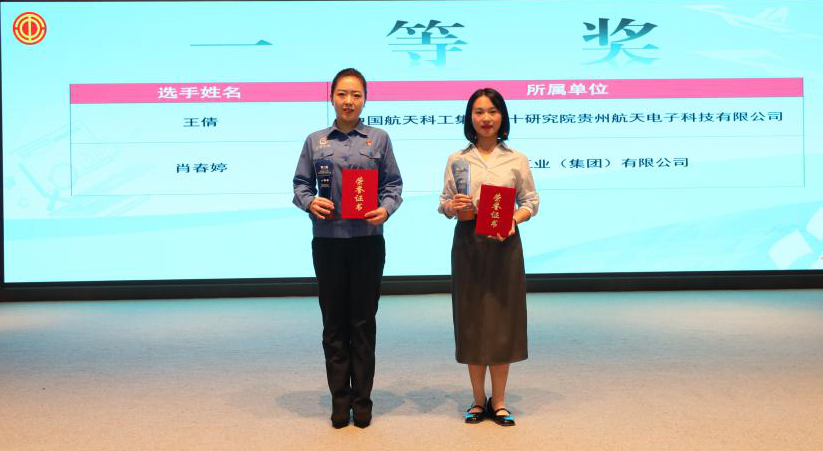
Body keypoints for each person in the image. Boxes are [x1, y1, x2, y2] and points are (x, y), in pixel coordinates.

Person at [293, 68, 403, 429]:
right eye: (342, 94)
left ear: (365, 99)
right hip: (328, 242)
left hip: (368, 242)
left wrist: (385, 209)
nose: (349, 101)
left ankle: (363, 400)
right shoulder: (315, 141)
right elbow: (300, 185)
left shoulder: (379, 139)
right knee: (334, 323)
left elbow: (393, 185)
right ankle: (340, 401)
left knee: (363, 322)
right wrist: (310, 203)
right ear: (331, 98)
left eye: (356, 94)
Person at [438, 88, 539, 426]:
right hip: (468, 243)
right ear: (470, 118)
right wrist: (452, 206)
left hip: (505, 244)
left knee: (502, 320)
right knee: (472, 319)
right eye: (479, 112)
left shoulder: (517, 159)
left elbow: (531, 202)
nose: (485, 118)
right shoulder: (457, 159)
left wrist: (513, 220)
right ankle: (478, 400)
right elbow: (444, 202)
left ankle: (500, 401)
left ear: (502, 117)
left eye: (492, 111)